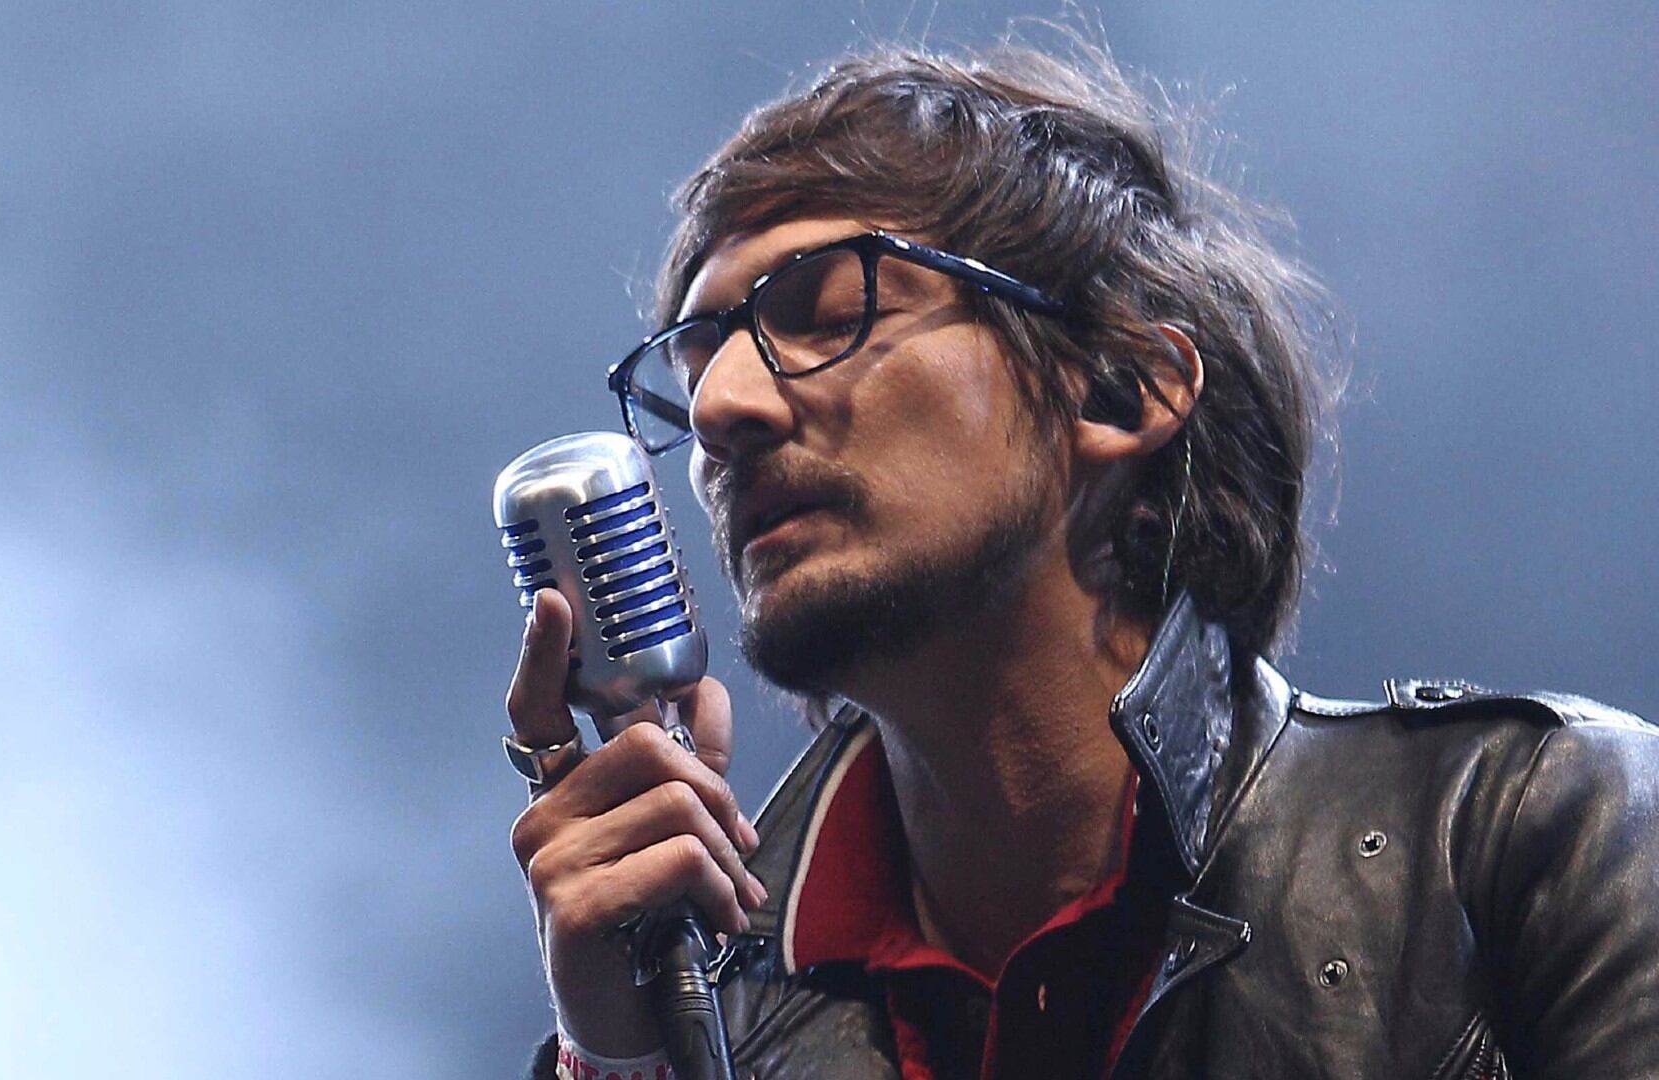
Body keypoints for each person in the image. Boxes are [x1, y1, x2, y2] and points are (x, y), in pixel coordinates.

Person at [503, 35, 1659, 1080]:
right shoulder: (713, 1008)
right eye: (695, 364)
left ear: (1121, 389)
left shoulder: (1532, 836)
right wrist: (621, 1058)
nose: (721, 409)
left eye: (828, 309)